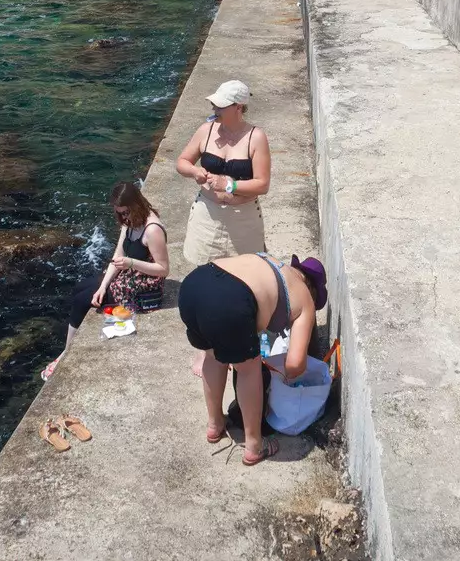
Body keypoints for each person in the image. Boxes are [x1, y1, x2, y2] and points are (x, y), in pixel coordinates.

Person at [177, 253, 326, 466]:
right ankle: (255, 445)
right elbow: (294, 365)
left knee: (213, 357)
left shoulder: (273, 262)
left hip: (194, 285)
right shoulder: (305, 298)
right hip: (230, 299)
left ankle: (215, 424)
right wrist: (284, 375)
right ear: (313, 289)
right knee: (249, 368)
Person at [46, 180, 169, 379]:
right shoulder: (128, 222)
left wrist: (130, 263)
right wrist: (103, 286)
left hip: (145, 285)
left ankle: (65, 355)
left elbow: (163, 269)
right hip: (129, 272)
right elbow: (117, 256)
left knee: (81, 301)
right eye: (119, 213)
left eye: (125, 212)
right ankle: (67, 347)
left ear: (136, 206)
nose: (122, 217)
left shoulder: (152, 230)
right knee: (81, 288)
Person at [176, 81, 271, 265]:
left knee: (245, 274)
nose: (214, 109)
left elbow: (263, 184)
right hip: (207, 215)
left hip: (242, 217)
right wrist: (194, 171)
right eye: (214, 105)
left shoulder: (256, 137)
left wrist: (229, 185)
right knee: (204, 274)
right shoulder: (206, 130)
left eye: (220, 106)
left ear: (238, 107)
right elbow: (182, 162)